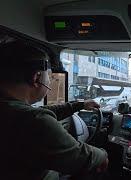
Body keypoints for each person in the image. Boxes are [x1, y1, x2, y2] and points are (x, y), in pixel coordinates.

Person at [0, 40, 108, 179]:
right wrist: (103, 154)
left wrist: (78, 105)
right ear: (36, 77)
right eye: (49, 76)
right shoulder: (34, 121)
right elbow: (81, 157)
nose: (50, 81)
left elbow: (41, 112)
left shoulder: (14, 110)